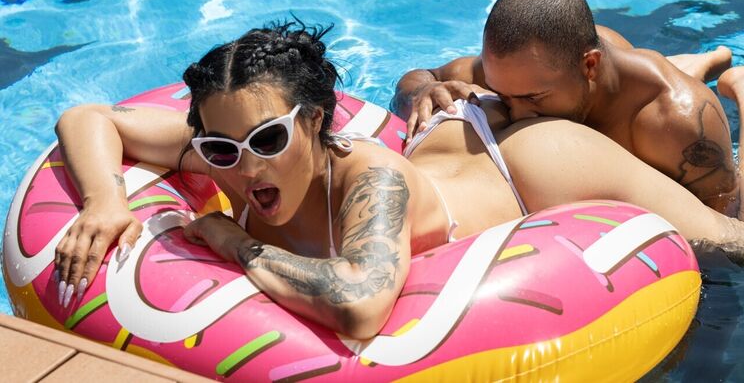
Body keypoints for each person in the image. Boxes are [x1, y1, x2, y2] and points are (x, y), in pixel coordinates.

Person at [54, 21, 744, 338]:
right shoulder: (233, 152)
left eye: (268, 139)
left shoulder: (372, 178)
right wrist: (106, 199)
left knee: (729, 238)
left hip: (533, 166)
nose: (247, 166)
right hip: (445, 137)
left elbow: (360, 303)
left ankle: (725, 81)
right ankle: (699, 63)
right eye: (219, 147)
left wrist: (232, 241)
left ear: (314, 121)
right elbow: (88, 117)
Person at [392, 0, 740, 217]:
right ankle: (699, 62)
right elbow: (420, 77)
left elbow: (727, 220)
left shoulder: (677, 121)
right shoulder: (520, 72)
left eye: (534, 98)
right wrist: (423, 92)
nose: (516, 115)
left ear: (590, 65)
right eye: (503, 96)